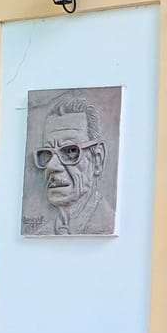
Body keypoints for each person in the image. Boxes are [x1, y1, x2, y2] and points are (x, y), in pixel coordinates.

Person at [28, 97, 115, 235]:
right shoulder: (41, 233)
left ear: (98, 158)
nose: (51, 166)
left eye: (70, 151)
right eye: (47, 154)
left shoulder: (108, 223)